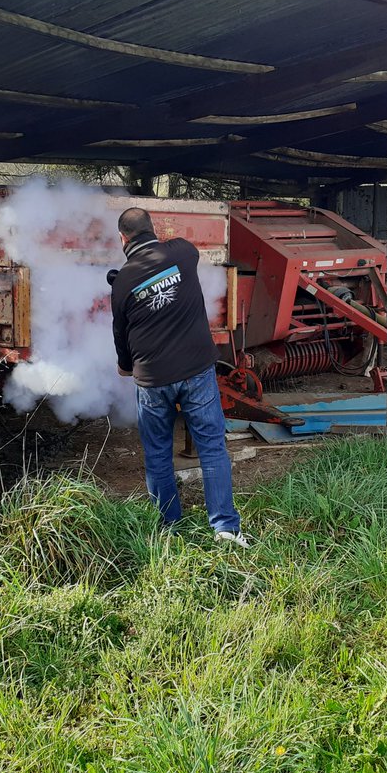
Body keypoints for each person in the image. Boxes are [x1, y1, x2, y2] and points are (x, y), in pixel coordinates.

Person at [110, 207, 248, 547]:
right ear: (153, 229)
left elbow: (121, 333)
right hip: (196, 369)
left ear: (122, 239)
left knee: (158, 454)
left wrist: (125, 366)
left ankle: (169, 528)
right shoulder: (183, 252)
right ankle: (225, 529)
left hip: (152, 378)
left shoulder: (123, 281)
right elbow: (172, 252)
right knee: (212, 447)